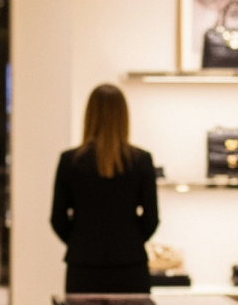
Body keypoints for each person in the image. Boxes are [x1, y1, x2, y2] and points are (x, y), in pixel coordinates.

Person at [49, 84, 159, 293]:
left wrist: (81, 239)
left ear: (89, 115)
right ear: (123, 117)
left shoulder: (70, 161)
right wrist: (129, 239)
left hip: (83, 266)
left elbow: (58, 219)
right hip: (130, 265)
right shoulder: (141, 160)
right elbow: (151, 219)